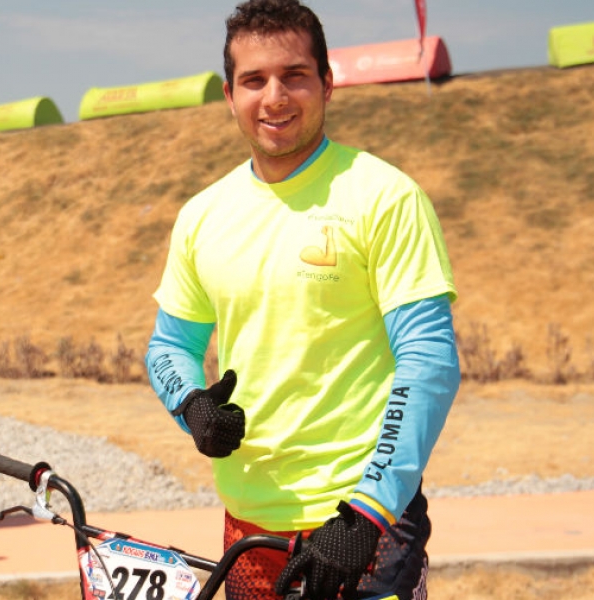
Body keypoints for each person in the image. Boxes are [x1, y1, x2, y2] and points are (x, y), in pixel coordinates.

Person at [144, 1, 460, 599]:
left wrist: (367, 510)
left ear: (327, 83)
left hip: (363, 525)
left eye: (294, 75)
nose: (275, 97)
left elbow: (429, 363)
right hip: (249, 526)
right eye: (254, 80)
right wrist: (192, 406)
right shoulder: (202, 216)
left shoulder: (385, 197)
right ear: (229, 94)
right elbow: (169, 345)